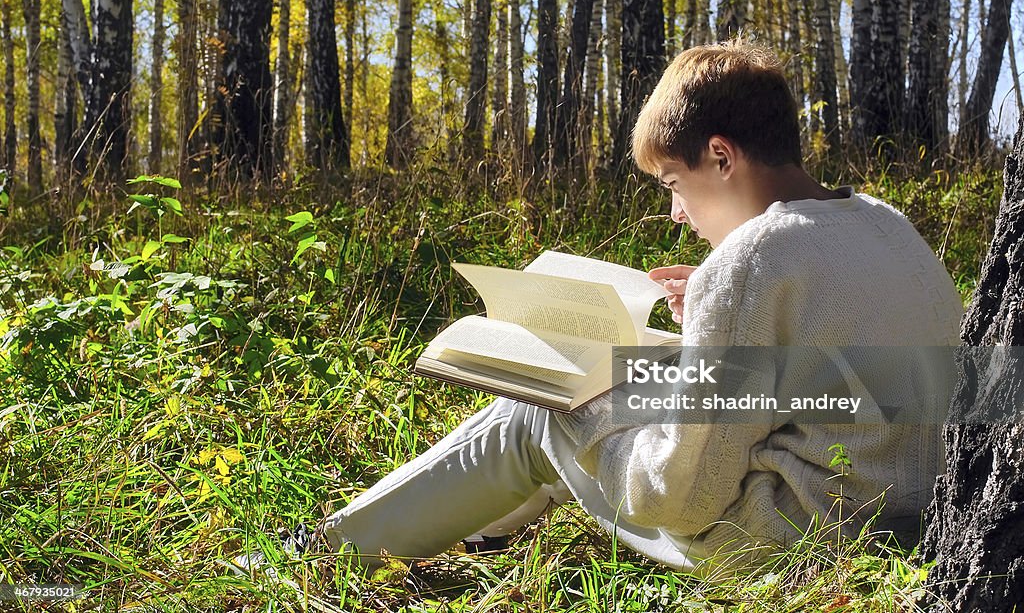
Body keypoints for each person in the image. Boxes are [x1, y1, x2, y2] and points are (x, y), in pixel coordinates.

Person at [318, 39, 964, 573]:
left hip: (794, 543)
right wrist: (705, 320)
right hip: (909, 514)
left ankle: (330, 555)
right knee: (631, 372)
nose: (677, 213)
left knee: (542, 408)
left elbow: (680, 497)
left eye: (674, 184)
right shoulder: (882, 220)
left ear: (721, 154)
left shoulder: (754, 259)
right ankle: (481, 535)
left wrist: (587, 409)